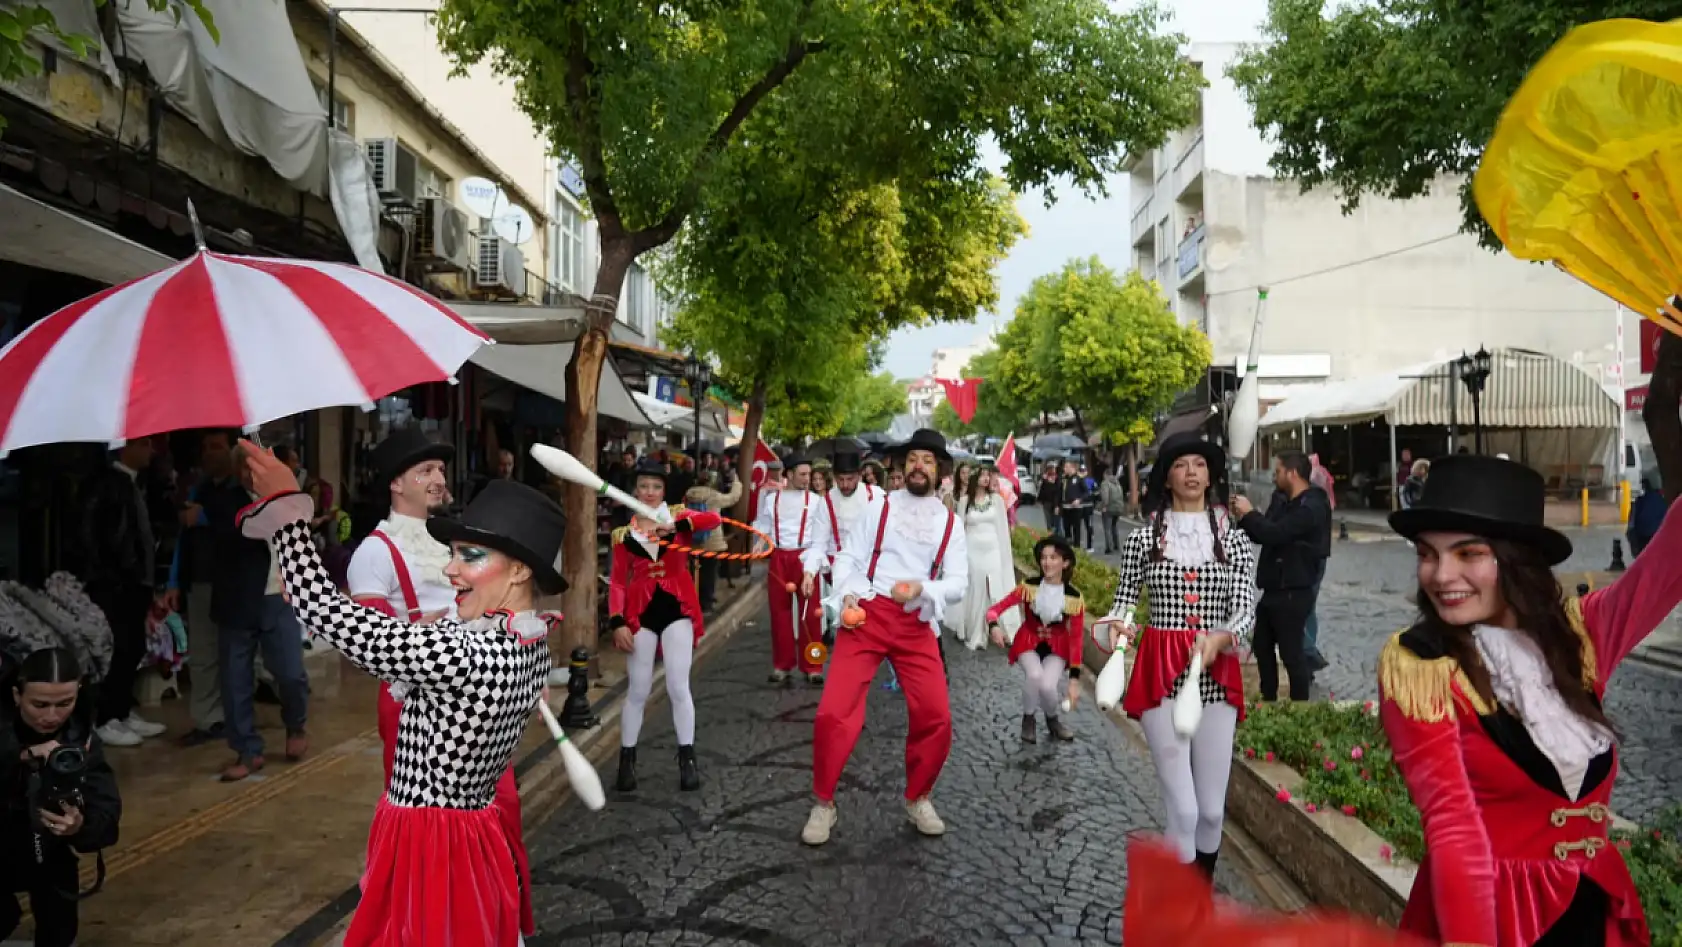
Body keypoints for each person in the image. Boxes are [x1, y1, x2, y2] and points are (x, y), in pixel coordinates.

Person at [237, 444, 562, 947]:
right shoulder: (528, 639)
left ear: (519, 571)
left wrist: (286, 507)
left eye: (470, 556)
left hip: (431, 849)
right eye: (453, 553)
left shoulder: (464, 655)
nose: (451, 570)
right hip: (472, 839)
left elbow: (321, 608)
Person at [1379, 454, 1682, 946]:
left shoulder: (1578, 639)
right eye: (1427, 553)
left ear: (1516, 559)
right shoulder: (1421, 668)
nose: (1440, 575)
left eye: (1468, 554)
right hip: (1490, 922)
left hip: (1590, 915)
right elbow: (1453, 831)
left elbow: (1669, 563)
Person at [343, 428, 534, 937]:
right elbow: (372, 646)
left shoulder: (458, 540)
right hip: (414, 701)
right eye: (424, 471)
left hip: (474, 690)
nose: (437, 479)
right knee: (423, 831)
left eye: (440, 470)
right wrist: (433, 634)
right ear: (395, 484)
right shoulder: (374, 553)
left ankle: (493, 917)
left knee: (498, 810)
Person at [1096, 432, 1257, 878]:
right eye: (1181, 465)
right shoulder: (1143, 539)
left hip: (1216, 675)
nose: (1191, 472)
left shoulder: (1235, 542)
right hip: (1159, 671)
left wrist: (1221, 639)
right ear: (1166, 478)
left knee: (1209, 813)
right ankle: (1180, 913)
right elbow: (1125, 598)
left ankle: (1197, 900)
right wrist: (1118, 625)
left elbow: (1245, 610)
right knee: (1183, 810)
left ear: (1210, 476)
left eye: (1200, 465)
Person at [804, 429, 967, 846]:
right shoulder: (878, 509)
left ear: (941, 472)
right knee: (833, 713)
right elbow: (849, 557)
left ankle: (919, 797)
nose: (919, 466)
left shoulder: (951, 523)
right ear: (899, 466)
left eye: (928, 461)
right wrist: (848, 595)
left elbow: (958, 583)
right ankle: (824, 803)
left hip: (915, 622)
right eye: (913, 458)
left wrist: (922, 589)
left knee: (937, 716)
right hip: (869, 613)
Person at [609, 459, 722, 792]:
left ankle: (687, 758)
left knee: (677, 685)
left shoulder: (679, 516)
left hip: (677, 606)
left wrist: (674, 525)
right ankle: (626, 760)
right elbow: (617, 582)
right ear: (635, 490)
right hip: (639, 612)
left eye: (656, 486)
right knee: (638, 689)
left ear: (664, 490)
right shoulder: (622, 533)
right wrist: (617, 621)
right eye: (644, 486)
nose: (649, 492)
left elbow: (714, 519)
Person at [1, 648, 121, 947]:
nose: (51, 716)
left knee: (59, 928)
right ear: (17, 696)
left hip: (43, 848)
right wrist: (20, 758)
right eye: (39, 704)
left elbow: (107, 809)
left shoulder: (80, 738)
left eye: (64, 703)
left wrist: (79, 825)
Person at [79, 438, 169, 748]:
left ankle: (121, 710)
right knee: (118, 649)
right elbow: (97, 538)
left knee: (133, 647)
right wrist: (115, 576)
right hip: (116, 586)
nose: (150, 451)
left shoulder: (132, 484)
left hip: (134, 584)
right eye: (144, 444)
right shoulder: (107, 485)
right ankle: (106, 718)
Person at [1232, 450, 1331, 703]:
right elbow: (1264, 532)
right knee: (1262, 646)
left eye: (1277, 471)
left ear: (1292, 473)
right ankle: (1269, 699)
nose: (1274, 477)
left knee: (1291, 653)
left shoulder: (1313, 506)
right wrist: (1244, 518)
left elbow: (1277, 533)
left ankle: (1299, 710)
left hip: (1294, 590)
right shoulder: (1282, 499)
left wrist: (1250, 514)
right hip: (1273, 588)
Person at [986, 535, 1084, 743]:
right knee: (1035, 675)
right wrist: (993, 626)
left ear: (1065, 563)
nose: (1047, 562)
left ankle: (1053, 721)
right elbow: (995, 609)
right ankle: (1028, 720)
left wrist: (1074, 680)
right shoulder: (1029, 587)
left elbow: (1076, 639)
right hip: (1028, 641)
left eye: (1053, 558)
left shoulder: (1074, 597)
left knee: (1048, 686)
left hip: (1057, 646)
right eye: (1043, 557)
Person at [752, 455, 832, 684]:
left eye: (809, 474)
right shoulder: (771, 501)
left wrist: (816, 563)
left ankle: (814, 665)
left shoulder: (816, 501)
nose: (808, 479)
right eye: (803, 474)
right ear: (788, 474)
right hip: (779, 557)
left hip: (805, 557)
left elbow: (821, 535)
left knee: (811, 614)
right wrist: (759, 541)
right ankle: (782, 665)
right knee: (780, 614)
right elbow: (763, 526)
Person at [949, 466, 1016, 651]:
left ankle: (1000, 626)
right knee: (977, 586)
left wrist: (1004, 553)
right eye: (982, 475)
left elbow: (1002, 528)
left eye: (988, 475)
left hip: (993, 548)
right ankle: (977, 629)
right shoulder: (964, 501)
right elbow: (959, 529)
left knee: (994, 585)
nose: (986, 478)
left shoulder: (996, 500)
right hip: (972, 550)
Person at [684, 469, 743, 612]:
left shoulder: (688, 494)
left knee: (694, 572)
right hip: (712, 541)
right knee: (709, 572)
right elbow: (733, 498)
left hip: (693, 539)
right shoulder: (714, 496)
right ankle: (706, 602)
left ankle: (693, 600)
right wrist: (736, 481)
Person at [1627, 475, 1665, 557]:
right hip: (1657, 534)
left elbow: (1632, 522)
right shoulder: (1661, 500)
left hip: (1643, 535)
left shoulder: (1640, 501)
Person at [1099, 465, 1127, 554]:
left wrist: (1103, 506)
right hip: (1118, 508)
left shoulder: (1105, 483)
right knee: (1114, 527)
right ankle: (1116, 545)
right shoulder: (1117, 483)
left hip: (1109, 508)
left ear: (1106, 475)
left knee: (1107, 528)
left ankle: (1109, 548)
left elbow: (1105, 497)